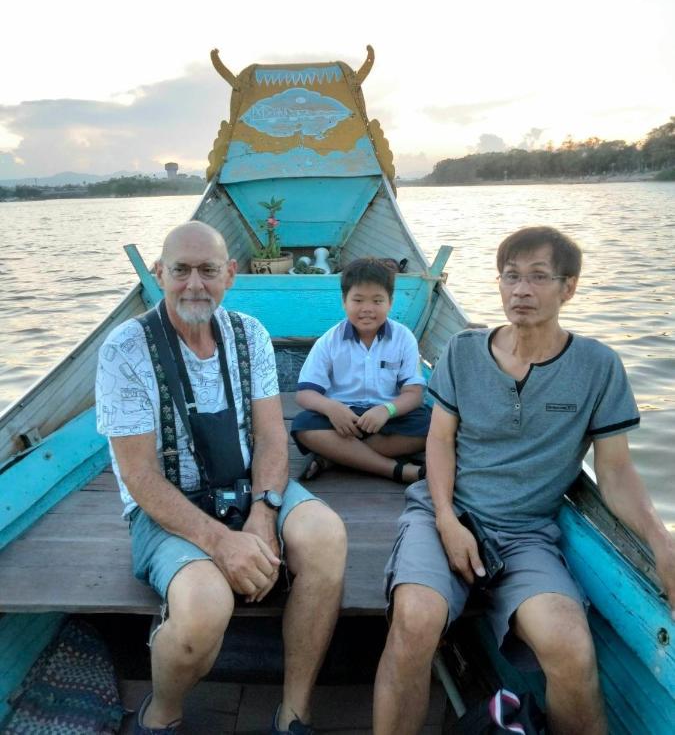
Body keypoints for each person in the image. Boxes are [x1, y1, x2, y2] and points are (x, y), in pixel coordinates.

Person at [373, 226, 675, 735]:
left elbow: (616, 472)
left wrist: (660, 540)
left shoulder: (598, 367)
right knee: (414, 623)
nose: (521, 291)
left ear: (569, 287)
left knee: (571, 648)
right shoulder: (464, 351)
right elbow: (440, 442)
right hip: (444, 511)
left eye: (538, 278)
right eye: (511, 277)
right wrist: (447, 520)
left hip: (527, 532)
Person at [96, 221, 347, 735]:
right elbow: (140, 476)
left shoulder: (248, 334)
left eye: (208, 270)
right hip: (167, 506)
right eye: (181, 271)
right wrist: (219, 542)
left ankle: (293, 714)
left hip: (247, 486)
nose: (194, 284)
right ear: (158, 273)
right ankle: (162, 713)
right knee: (204, 609)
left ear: (230, 274)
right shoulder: (125, 349)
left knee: (326, 537)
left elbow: (272, 438)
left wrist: (263, 512)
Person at [291, 257, 430, 484]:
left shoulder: (404, 338)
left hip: (388, 418)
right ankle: (395, 469)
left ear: (390, 302)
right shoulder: (329, 341)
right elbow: (305, 393)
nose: (367, 309)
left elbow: (414, 394)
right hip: (343, 420)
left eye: (377, 300)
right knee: (304, 426)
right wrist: (331, 408)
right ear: (344, 301)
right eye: (358, 300)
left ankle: (335, 456)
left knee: (430, 427)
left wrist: (387, 410)